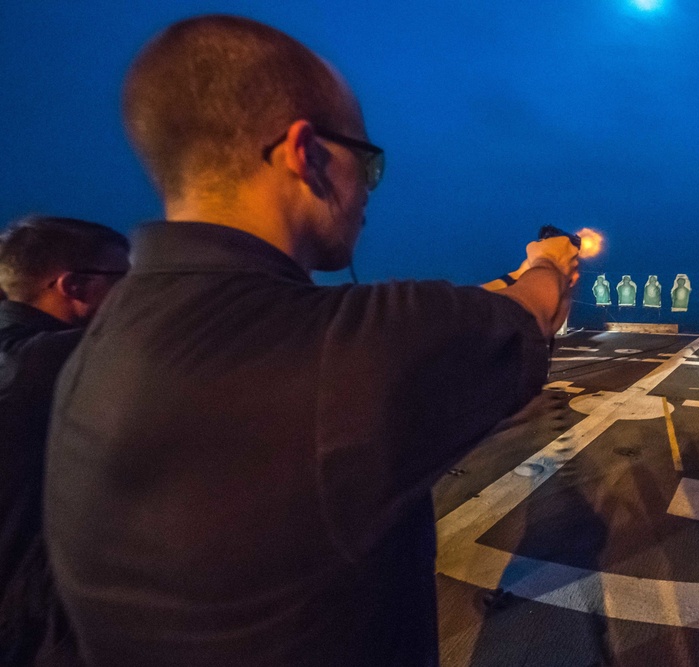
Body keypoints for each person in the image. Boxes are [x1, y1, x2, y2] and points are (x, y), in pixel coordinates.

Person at [44, 15, 578, 667]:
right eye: (368, 163)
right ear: (309, 154)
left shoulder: (99, 341)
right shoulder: (335, 355)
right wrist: (550, 259)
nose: (368, 193)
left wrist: (512, 276)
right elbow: (534, 309)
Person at [0, 216, 130, 666]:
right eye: (124, 280)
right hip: (28, 624)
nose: (132, 296)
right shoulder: (54, 360)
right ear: (74, 286)